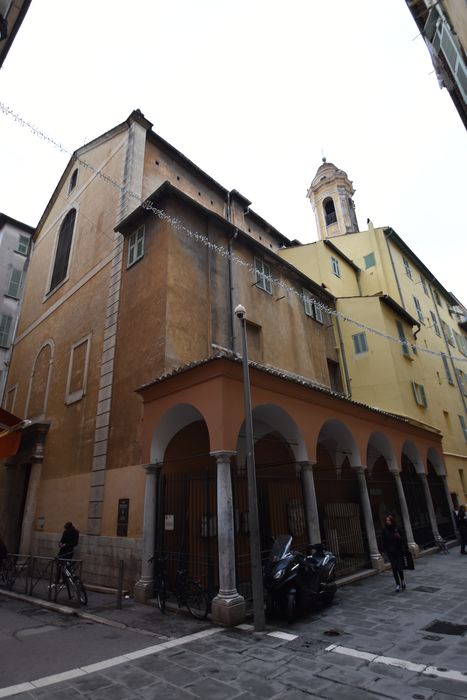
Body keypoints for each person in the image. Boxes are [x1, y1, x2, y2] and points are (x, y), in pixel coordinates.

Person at [381, 514, 406, 593]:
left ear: (392, 521)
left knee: (399, 568)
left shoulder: (397, 529)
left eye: (389, 520)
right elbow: (383, 541)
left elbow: (403, 539)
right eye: (386, 520)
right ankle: (397, 584)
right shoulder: (384, 530)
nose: (387, 522)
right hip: (390, 552)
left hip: (398, 551)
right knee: (394, 569)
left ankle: (402, 580)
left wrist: (399, 537)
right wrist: (383, 551)